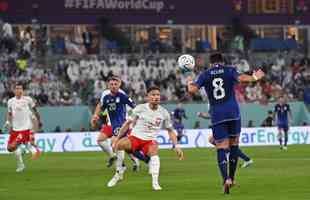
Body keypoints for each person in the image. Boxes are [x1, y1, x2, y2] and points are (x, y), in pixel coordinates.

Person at [187, 52, 264, 194]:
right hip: (233, 112)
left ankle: (225, 180)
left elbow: (192, 90)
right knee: (234, 145)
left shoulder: (205, 74)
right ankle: (233, 178)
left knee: (221, 147)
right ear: (222, 61)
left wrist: (189, 83)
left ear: (211, 63)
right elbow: (241, 78)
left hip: (217, 114)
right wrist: (254, 77)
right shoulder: (229, 70)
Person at [108, 86, 184, 190]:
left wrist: (176, 146)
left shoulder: (164, 113)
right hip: (135, 138)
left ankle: (155, 183)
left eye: (158, 95)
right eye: (153, 94)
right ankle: (119, 173)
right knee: (118, 145)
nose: (156, 97)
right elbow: (127, 123)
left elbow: (170, 130)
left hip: (149, 141)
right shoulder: (140, 108)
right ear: (148, 97)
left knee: (154, 151)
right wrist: (117, 138)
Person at [91, 76, 140, 171]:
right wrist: (96, 115)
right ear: (108, 85)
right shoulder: (105, 95)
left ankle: (128, 163)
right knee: (101, 140)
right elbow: (101, 105)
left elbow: (133, 106)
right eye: (111, 84)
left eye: (115, 84)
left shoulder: (121, 94)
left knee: (119, 144)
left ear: (119, 84)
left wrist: (134, 119)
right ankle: (113, 157)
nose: (113, 86)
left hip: (122, 123)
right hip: (110, 123)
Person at [4, 83, 42, 172]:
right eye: (17, 88)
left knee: (14, 145)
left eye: (20, 88)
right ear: (14, 90)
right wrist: (8, 121)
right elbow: (9, 113)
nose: (18, 90)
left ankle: (25, 148)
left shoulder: (28, 99)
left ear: (23, 90)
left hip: (25, 129)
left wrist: (39, 120)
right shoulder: (10, 101)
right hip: (15, 129)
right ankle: (21, 162)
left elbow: (35, 110)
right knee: (10, 148)